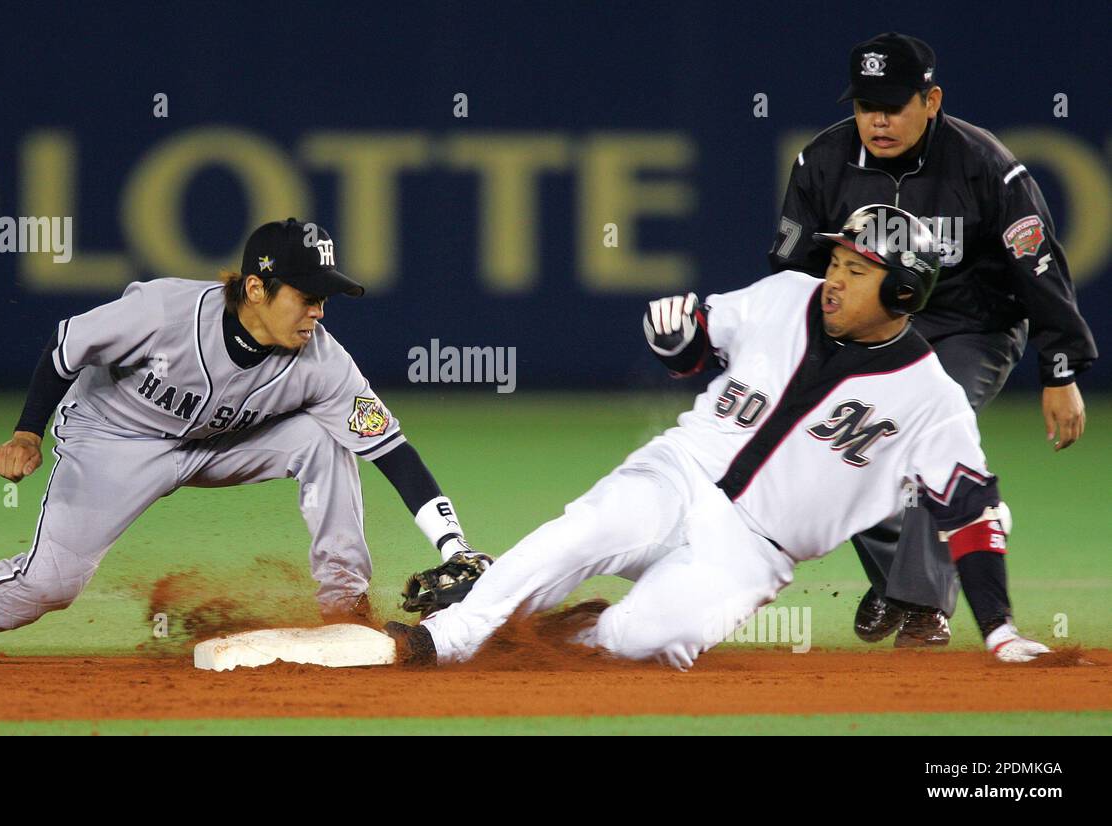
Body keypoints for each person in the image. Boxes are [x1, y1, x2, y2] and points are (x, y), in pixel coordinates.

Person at [386, 205, 1049, 669]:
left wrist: (999, 631)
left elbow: (972, 515)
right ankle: (444, 637)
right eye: (838, 260)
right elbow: (697, 342)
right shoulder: (788, 294)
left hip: (754, 552)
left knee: (642, 641)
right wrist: (678, 338)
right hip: (679, 473)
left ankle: (549, 635)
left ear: (904, 291)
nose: (834, 278)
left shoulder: (932, 401)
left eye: (857, 269)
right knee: (580, 533)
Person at [0, 218, 488, 664]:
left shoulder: (323, 362)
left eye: (325, 298)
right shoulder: (162, 313)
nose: (319, 312)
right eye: (307, 296)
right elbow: (63, 350)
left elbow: (390, 451)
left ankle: (344, 609)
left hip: (219, 442)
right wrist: (29, 430)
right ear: (255, 289)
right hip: (113, 441)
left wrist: (455, 545)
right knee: (50, 584)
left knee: (326, 441)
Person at [769, 32, 1096, 647]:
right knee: (835, 439)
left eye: (894, 105)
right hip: (873, 333)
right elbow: (793, 275)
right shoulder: (822, 162)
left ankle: (922, 606)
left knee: (923, 432)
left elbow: (1040, 271)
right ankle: (901, 577)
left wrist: (1060, 371)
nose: (879, 120)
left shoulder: (986, 165)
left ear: (932, 100)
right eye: (867, 106)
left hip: (973, 327)